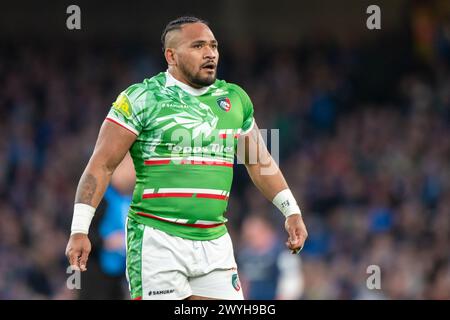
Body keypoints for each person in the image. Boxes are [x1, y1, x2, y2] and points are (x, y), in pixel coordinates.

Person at [65, 16, 308, 300]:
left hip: (214, 241)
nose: (210, 53)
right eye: (198, 46)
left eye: (214, 46)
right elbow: (101, 165)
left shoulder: (234, 99)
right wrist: (79, 228)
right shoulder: (141, 98)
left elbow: (259, 162)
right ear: (171, 56)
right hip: (157, 241)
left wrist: (291, 210)